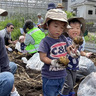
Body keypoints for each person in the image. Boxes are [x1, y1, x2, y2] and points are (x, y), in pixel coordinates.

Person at [38, 9, 73, 96]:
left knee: (57, 92)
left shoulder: (63, 38)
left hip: (62, 74)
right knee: (49, 93)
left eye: (62, 27)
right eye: (56, 26)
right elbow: (42, 57)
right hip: (50, 76)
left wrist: (73, 51)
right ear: (47, 25)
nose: (59, 30)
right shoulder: (45, 41)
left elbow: (68, 48)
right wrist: (53, 62)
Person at [61, 17, 92, 96]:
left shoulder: (80, 41)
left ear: (80, 30)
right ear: (67, 31)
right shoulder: (66, 40)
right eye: (72, 28)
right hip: (66, 67)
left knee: (73, 83)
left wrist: (85, 54)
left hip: (75, 67)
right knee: (68, 85)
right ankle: (63, 94)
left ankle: (71, 94)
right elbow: (68, 50)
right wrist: (72, 50)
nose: (75, 30)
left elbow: (80, 51)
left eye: (77, 28)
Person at [0, 9, 20, 96]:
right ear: (7, 27)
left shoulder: (4, 36)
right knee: (8, 78)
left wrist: (13, 91)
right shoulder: (2, 33)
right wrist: (6, 46)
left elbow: (4, 62)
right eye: (11, 28)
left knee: (12, 66)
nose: (12, 29)